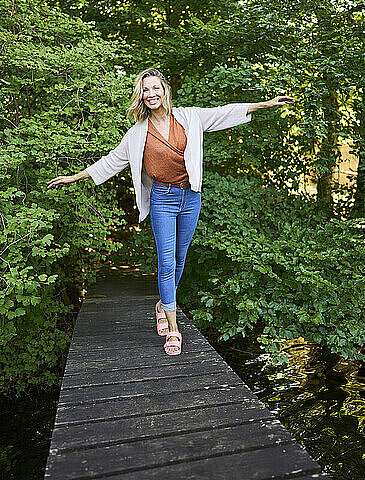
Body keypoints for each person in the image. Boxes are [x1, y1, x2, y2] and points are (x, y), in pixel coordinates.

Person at [47, 68, 294, 355]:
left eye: (155, 88)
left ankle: (162, 303)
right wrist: (73, 177)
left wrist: (265, 104)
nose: (151, 94)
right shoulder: (137, 134)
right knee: (166, 263)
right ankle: (173, 328)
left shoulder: (189, 117)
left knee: (179, 259)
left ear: (164, 90)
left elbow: (224, 112)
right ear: (140, 96)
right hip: (162, 199)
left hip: (191, 198)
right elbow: (111, 161)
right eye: (144, 90)